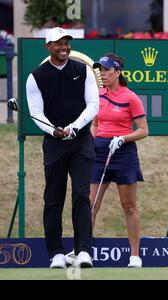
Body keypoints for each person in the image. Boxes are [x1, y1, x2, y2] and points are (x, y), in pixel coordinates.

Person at [26, 27, 99, 268]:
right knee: (54, 198)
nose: (64, 47)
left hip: (81, 142)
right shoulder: (36, 76)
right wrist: (54, 129)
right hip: (54, 144)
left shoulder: (83, 70)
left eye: (66, 42)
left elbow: (93, 106)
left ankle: (84, 251)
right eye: (58, 43)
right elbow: (36, 113)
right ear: (48, 46)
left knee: (81, 195)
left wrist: (74, 127)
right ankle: (55, 253)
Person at [89, 53, 149, 268]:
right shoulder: (97, 95)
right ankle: (85, 252)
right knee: (91, 204)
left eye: (106, 70)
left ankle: (135, 256)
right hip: (100, 152)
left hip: (124, 153)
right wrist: (93, 140)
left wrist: (123, 138)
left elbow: (143, 130)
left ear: (118, 72)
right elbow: (95, 125)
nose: (102, 74)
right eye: (100, 70)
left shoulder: (130, 97)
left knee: (128, 205)